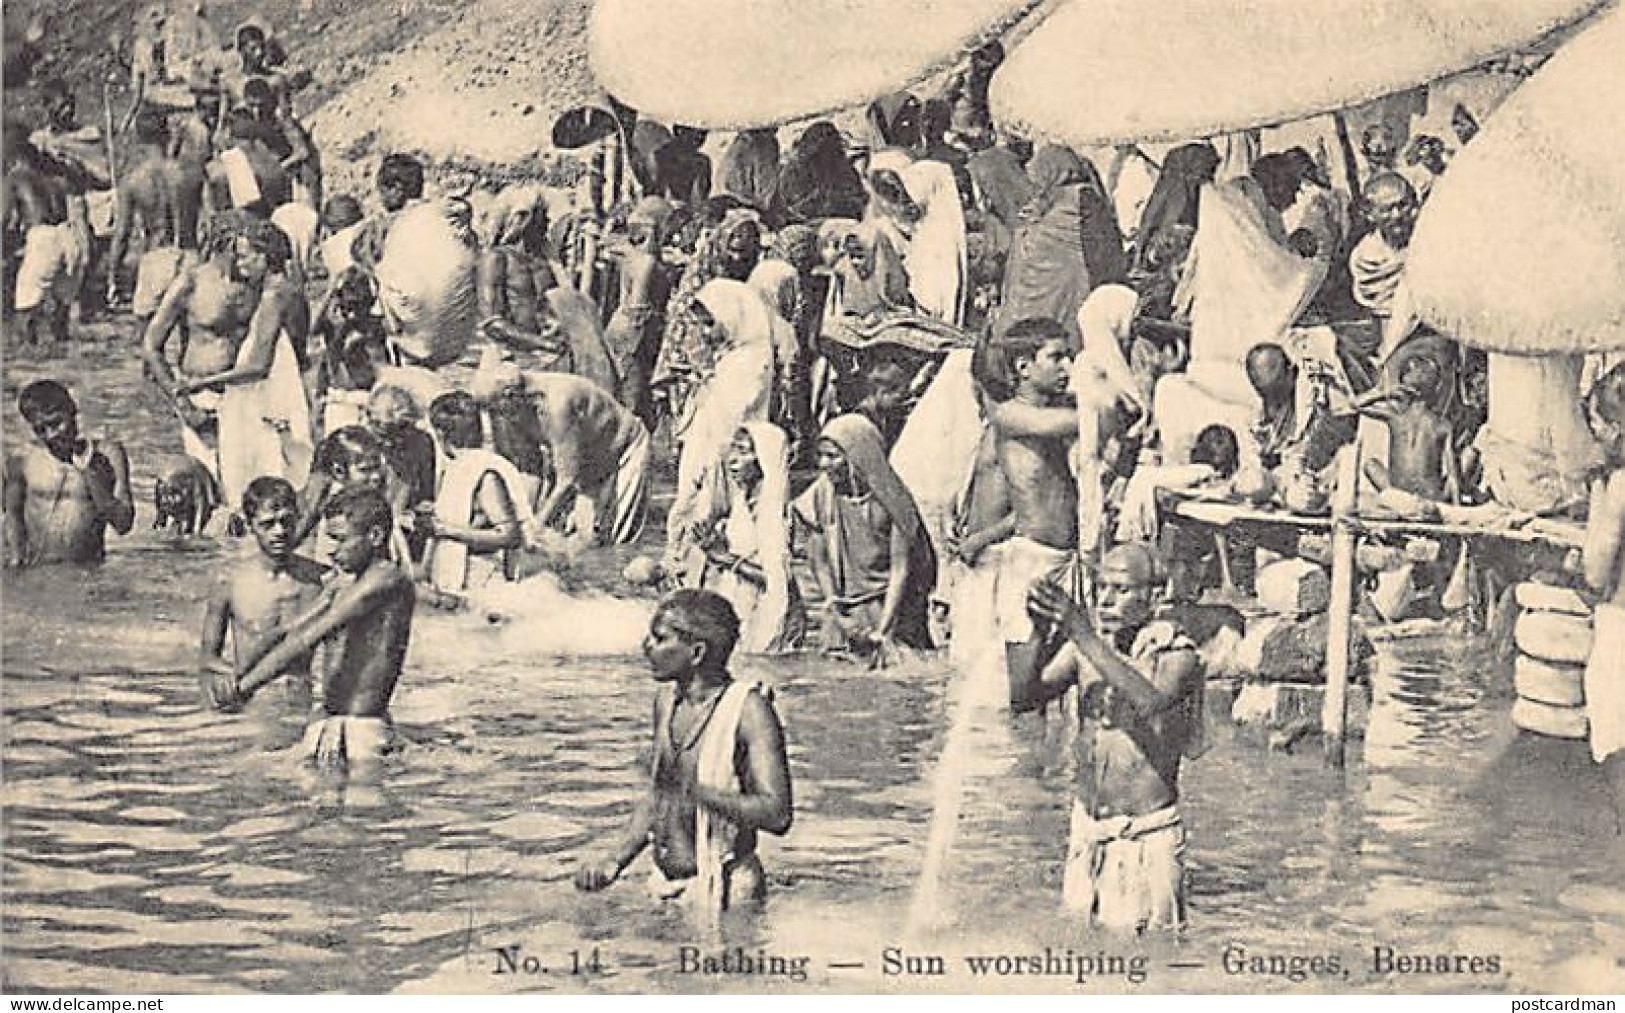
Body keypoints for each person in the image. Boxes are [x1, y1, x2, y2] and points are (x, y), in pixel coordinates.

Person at [574, 589, 792, 919]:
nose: (645, 646)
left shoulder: (750, 711)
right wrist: (614, 860)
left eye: (659, 638)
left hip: (730, 892)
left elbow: (777, 814)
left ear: (696, 652)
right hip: (665, 885)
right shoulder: (666, 701)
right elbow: (659, 797)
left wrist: (694, 791)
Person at [1024, 542, 1206, 934]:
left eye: (1120, 590)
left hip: (1145, 836)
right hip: (1089, 828)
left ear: (1154, 596)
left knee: (1152, 959)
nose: (1105, 600)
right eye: (1100, 587)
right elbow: (1024, 697)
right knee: (1079, 950)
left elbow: (1151, 702)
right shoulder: (1085, 648)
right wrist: (1036, 633)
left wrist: (1081, 632)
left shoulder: (1178, 655)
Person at [209, 488, 416, 774]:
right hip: (328, 720)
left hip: (362, 727)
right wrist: (238, 677)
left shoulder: (385, 579)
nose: (331, 550)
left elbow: (310, 638)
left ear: (375, 537)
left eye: (341, 540)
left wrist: (243, 688)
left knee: (363, 811)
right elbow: (290, 633)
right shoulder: (343, 584)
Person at [166, 214, 312, 510]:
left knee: (247, 485)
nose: (241, 265)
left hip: (259, 395)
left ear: (265, 257)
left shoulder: (272, 297)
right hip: (280, 395)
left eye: (246, 257)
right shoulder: (293, 291)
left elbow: (257, 366)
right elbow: (298, 350)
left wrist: (200, 383)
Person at [987, 318, 1081, 710]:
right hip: (1033, 559)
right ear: (1023, 367)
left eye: (1070, 358)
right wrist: (1105, 405)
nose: (1068, 368)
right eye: (1056, 358)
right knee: (1023, 691)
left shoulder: (1061, 412)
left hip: (1070, 557)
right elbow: (1067, 424)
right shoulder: (1011, 414)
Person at [793, 413, 936, 661]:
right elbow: (818, 560)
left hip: (890, 608)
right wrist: (833, 606)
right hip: (843, 610)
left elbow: (900, 570)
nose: (824, 464)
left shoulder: (892, 501)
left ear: (858, 456)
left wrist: (882, 631)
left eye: (833, 456)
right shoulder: (820, 495)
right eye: (821, 455)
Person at [475, 359, 650, 547]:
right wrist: (522, 517)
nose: (497, 417)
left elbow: (567, 479)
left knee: (619, 536)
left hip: (624, 446)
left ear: (510, 396)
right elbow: (531, 470)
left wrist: (538, 525)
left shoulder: (558, 404)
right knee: (585, 536)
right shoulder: (518, 406)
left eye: (495, 409)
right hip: (588, 459)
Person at [675, 424, 805, 654]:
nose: (733, 460)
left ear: (763, 460)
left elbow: (776, 580)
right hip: (745, 603)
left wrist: (726, 559)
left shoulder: (773, 512)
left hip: (771, 614)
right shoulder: (742, 502)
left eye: (744, 451)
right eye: (733, 450)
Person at [196, 476, 324, 707]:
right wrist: (227, 679)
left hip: (304, 696)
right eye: (268, 524)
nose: (279, 531)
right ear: (250, 525)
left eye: (286, 521)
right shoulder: (229, 580)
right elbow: (207, 657)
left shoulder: (321, 579)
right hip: (252, 696)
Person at [997, 145, 1126, 342]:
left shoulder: (1081, 198)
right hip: (1037, 307)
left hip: (1055, 302)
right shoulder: (1049, 202)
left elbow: (1103, 255)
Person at [4, 381, 134, 567]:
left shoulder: (108, 454)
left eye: (56, 423)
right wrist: (16, 563)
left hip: (89, 571)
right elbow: (13, 515)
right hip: (39, 571)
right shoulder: (22, 459)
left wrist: (90, 474)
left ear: (72, 411)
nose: (51, 435)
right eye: (40, 430)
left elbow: (123, 525)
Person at [424, 392, 527, 594]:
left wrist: (445, 530)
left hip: (485, 580)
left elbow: (510, 535)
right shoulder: (457, 468)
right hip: (468, 581)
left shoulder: (484, 473)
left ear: (440, 434)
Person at [1581, 365, 1625, 832]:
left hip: (1621, 625)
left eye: (1595, 422)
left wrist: (1596, 490)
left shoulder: (1619, 486)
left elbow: (1596, 570)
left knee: (1617, 754)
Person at [108, 108, 202, 324]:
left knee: (149, 337)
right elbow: (208, 219)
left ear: (138, 138)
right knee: (188, 333)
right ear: (167, 133)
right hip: (189, 255)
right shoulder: (190, 173)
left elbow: (122, 235)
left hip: (156, 256)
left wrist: (113, 277)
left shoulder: (133, 180)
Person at [604, 196, 677, 428]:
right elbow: (639, 309)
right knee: (631, 400)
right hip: (633, 332)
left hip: (620, 326)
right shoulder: (646, 263)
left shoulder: (627, 254)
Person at [5, 136, 79, 351]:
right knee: (62, 306)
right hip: (68, 236)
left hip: (43, 238)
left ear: (14, 157)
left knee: (25, 306)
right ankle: (63, 355)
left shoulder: (16, 177)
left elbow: (2, 219)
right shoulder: (53, 179)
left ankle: (26, 359)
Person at [1354, 353, 1458, 503]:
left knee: (1371, 465)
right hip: (1430, 497)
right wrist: (1456, 509)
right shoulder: (1442, 424)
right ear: (1435, 389)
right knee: (1454, 472)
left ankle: (1399, 502)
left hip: (1398, 495)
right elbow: (1453, 476)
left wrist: (1384, 394)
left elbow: (1355, 404)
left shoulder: (1396, 416)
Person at [311, 269, 389, 433]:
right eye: (347, 306)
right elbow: (313, 329)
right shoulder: (335, 323)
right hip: (338, 397)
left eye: (357, 306)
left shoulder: (372, 328)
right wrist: (331, 293)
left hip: (362, 397)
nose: (352, 313)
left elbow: (381, 371)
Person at [774, 121, 866, 224]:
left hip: (842, 224)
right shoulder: (794, 172)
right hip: (809, 224)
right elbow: (792, 208)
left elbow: (858, 201)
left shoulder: (845, 171)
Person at [351, 154, 424, 272]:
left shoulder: (378, 230)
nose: (380, 196)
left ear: (396, 188)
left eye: (382, 189)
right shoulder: (439, 217)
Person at [718, 128, 780, 215]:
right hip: (750, 201)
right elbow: (764, 180)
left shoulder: (742, 142)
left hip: (738, 199)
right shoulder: (766, 144)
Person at [653, 126, 712, 206]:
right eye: (694, 132)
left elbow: (701, 198)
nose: (700, 137)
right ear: (680, 131)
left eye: (703, 133)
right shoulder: (659, 157)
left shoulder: (702, 162)